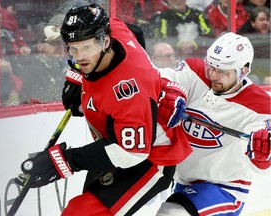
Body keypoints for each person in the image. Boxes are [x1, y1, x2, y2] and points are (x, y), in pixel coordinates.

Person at [15, 4, 192, 216]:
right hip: (116, 142)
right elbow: (135, 31)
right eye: (73, 48)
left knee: (81, 213)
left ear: (105, 42)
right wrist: (78, 75)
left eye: (87, 48)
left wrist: (64, 160)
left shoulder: (129, 89)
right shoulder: (112, 29)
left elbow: (132, 153)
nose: (79, 56)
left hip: (150, 158)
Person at [155, 32, 271, 215]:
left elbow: (262, 167)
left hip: (225, 188)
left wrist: (262, 155)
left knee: (171, 213)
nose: (214, 75)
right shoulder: (195, 72)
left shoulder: (261, 107)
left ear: (244, 70)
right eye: (212, 67)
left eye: (223, 71)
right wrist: (167, 92)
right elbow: (156, 78)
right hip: (182, 182)